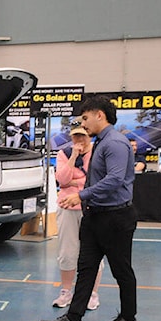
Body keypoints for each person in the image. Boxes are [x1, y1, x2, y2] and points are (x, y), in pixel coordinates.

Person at [39, 95, 138, 321]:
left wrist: (81, 195)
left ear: (99, 115)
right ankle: (73, 319)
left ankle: (128, 318)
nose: (83, 124)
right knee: (86, 267)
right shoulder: (103, 142)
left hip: (114, 217)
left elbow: (114, 179)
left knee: (121, 269)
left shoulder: (114, 143)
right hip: (96, 216)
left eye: (85, 118)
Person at [51, 124, 103, 311]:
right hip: (67, 208)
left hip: (91, 206)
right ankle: (66, 292)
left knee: (94, 251)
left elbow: (96, 181)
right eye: (76, 136)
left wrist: (76, 183)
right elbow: (62, 179)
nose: (79, 140)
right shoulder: (64, 153)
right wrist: (73, 157)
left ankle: (92, 294)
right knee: (67, 252)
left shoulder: (98, 152)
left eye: (83, 135)